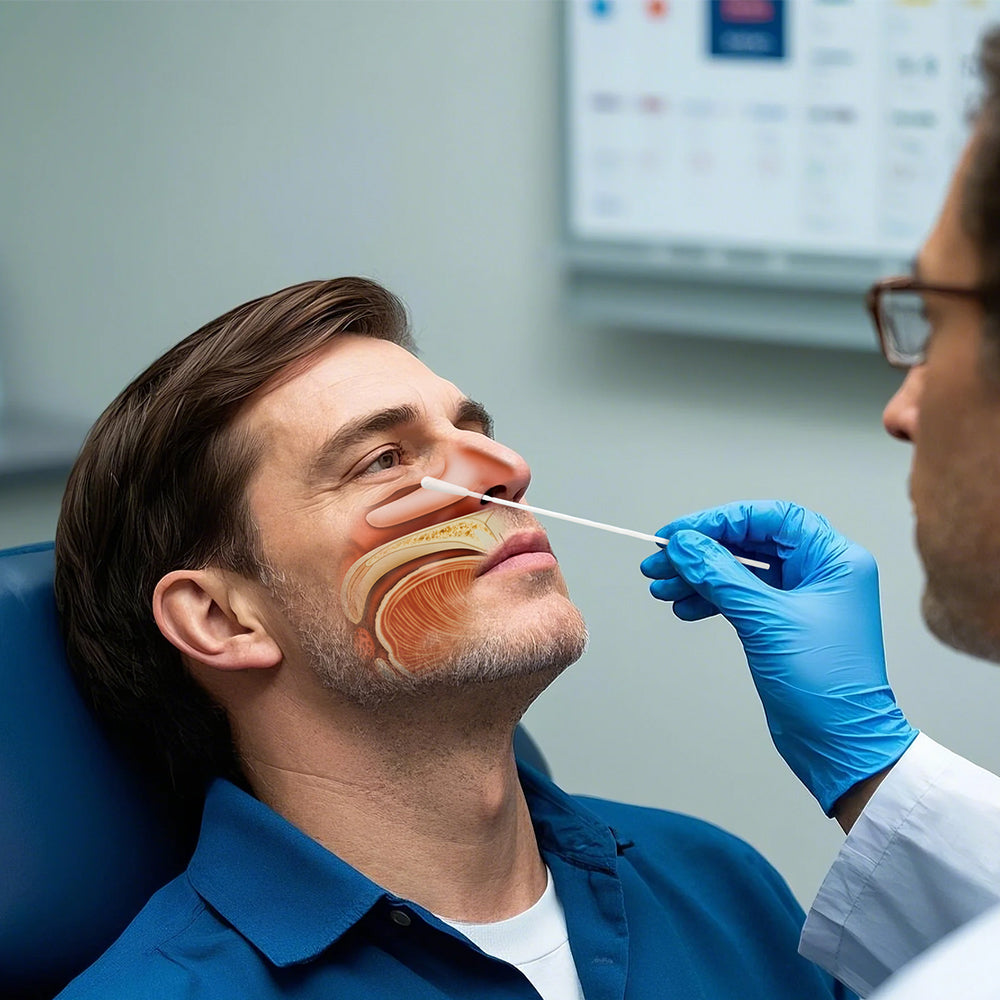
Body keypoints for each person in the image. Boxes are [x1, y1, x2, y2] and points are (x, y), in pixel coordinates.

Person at [52, 276, 849, 1000]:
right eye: (384, 460)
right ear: (222, 620)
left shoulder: (720, 886)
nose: (505, 468)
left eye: (476, 431)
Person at [640, 24, 1000, 1000]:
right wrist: (868, 765)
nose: (902, 408)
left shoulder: (709, 892)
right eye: (383, 459)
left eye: (933, 318)